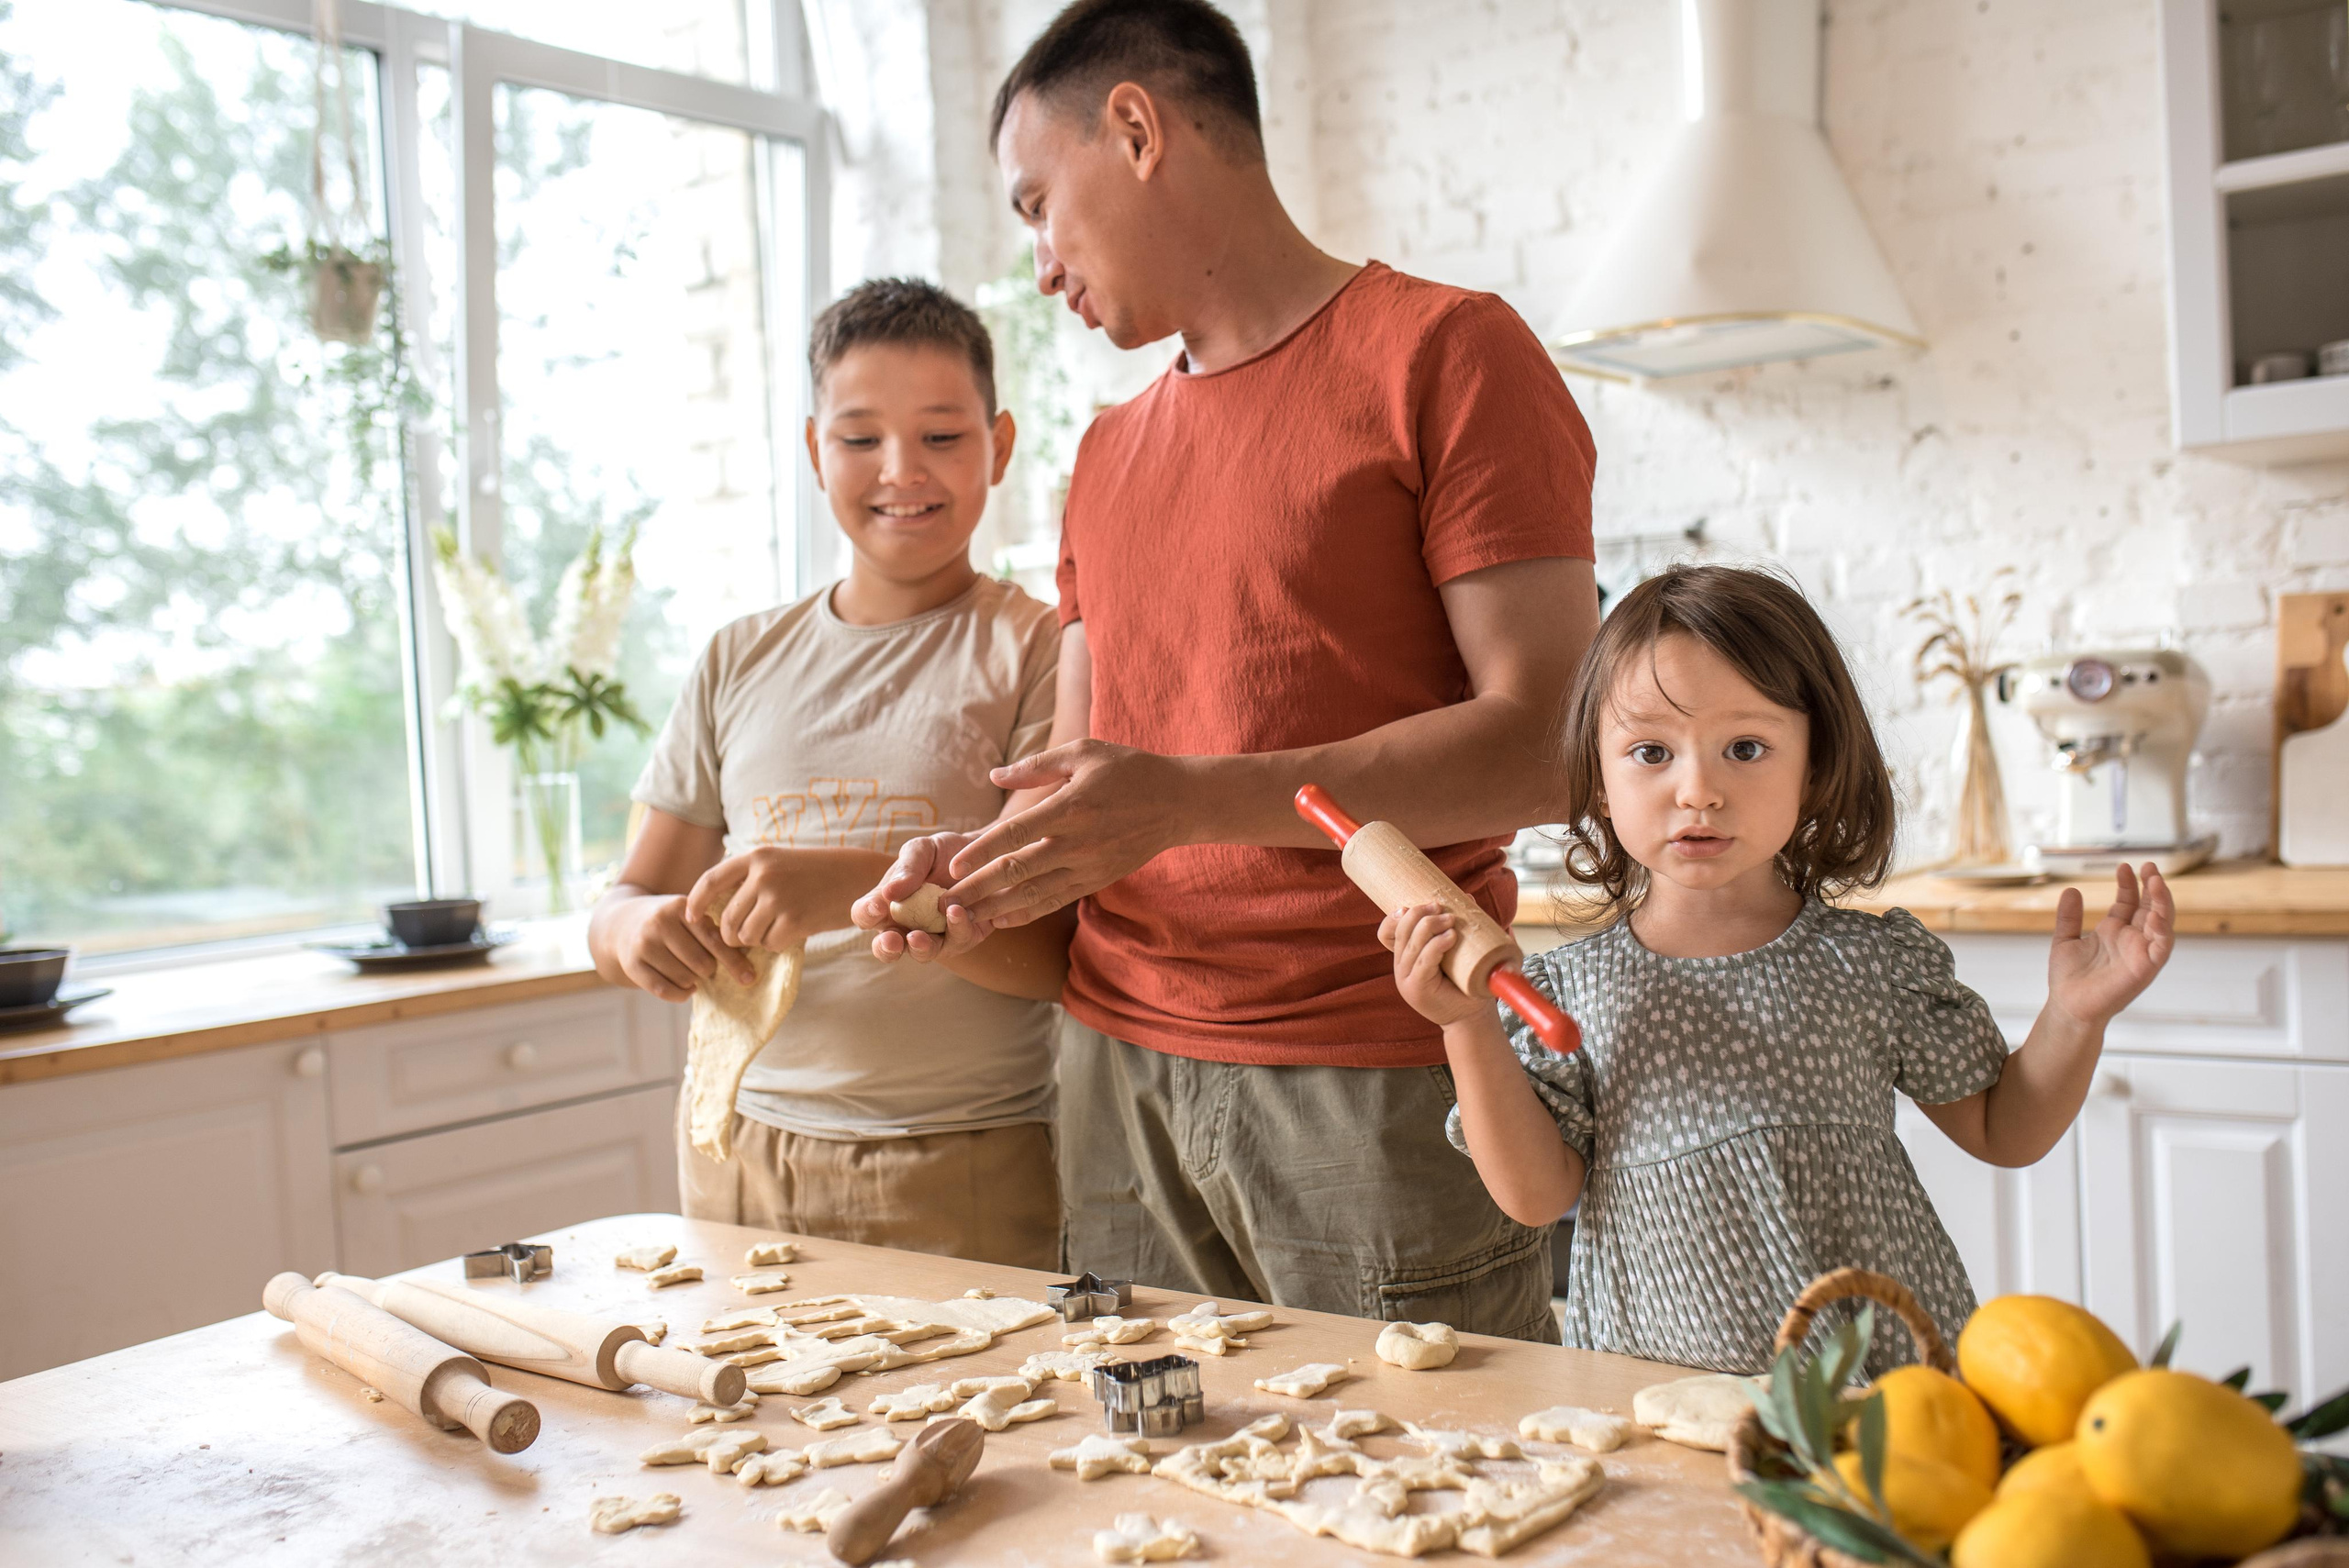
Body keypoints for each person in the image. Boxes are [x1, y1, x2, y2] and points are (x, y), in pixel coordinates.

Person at [856, 0, 1602, 1340]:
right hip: (1111, 1079)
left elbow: (1551, 741)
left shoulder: (1445, 354)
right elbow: (1084, 797)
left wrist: (1196, 798)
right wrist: (975, 881)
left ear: (1134, 129)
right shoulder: (1103, 454)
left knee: (1438, 1515)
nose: (1037, 266)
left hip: (1371, 1080)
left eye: (1039, 205)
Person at [1383, 565, 2176, 1373]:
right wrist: (1465, 1021)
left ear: (1815, 762)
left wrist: (2075, 1015)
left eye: (1746, 748)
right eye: (1651, 751)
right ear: (1599, 773)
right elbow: (1533, 1196)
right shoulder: (1572, 994)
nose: (1698, 790)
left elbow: (2006, 1130)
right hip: (1664, 1400)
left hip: (1886, 1396)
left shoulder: (1870, 966)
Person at [588, 278, 1073, 1270]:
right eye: (859, 438)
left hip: (961, 1156)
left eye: (942, 435)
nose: (902, 470)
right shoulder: (737, 657)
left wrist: (853, 886)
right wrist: (641, 930)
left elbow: (1055, 952)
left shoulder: (1038, 649)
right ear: (815, 451)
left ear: (1001, 444)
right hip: (735, 1150)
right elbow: (624, 900)